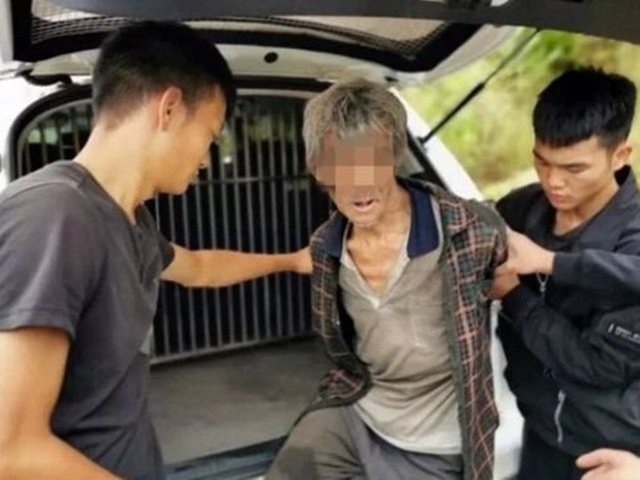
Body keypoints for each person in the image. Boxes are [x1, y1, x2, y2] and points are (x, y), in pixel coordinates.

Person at [0, 21, 310, 480]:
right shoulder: (55, 215)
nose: (206, 159)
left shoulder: (130, 221)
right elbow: (12, 449)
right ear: (169, 109)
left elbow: (200, 268)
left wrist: (293, 260)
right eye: (210, 135)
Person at [266, 78, 507, 480]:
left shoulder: (469, 230)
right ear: (318, 170)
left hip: (435, 443)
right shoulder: (327, 246)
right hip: (358, 410)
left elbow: (521, 276)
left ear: (395, 159)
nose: (358, 183)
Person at [491, 67, 640, 480]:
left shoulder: (633, 246)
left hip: (614, 452)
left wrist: (514, 296)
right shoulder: (519, 209)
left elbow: (596, 366)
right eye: (542, 162)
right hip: (540, 434)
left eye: (574, 169)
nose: (553, 181)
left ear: (620, 155)